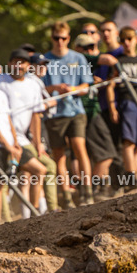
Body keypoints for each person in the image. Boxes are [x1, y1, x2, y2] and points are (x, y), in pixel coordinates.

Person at [0, 54, 47, 222]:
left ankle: (35, 213)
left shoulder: (0, 92)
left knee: (40, 170)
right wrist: (7, 145)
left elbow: (8, 120)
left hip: (12, 145)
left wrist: (15, 143)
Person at [42, 22, 95, 205]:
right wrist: (56, 88)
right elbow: (39, 89)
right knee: (59, 155)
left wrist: (72, 89)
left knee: (79, 147)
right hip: (54, 114)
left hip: (76, 110)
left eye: (63, 38)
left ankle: (87, 193)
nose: (60, 41)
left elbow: (86, 86)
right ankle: (66, 196)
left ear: (68, 38)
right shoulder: (44, 60)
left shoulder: (78, 58)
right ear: (52, 38)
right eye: (56, 38)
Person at [0, 49, 57, 212]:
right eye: (15, 62)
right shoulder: (0, 81)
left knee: (48, 166)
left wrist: (37, 144)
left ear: (28, 66)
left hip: (23, 139)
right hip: (3, 139)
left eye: (22, 62)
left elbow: (35, 116)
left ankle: (48, 210)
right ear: (9, 63)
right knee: (5, 178)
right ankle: (7, 217)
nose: (18, 66)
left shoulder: (33, 85)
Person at [107, 27, 137, 191]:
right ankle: (131, 177)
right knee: (129, 140)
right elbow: (110, 86)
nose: (126, 43)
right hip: (127, 102)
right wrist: (113, 108)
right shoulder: (118, 61)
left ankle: (129, 175)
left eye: (129, 39)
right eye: (123, 40)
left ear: (136, 40)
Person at [74, 32, 119, 198]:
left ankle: (93, 189)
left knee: (96, 154)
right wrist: (117, 70)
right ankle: (94, 188)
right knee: (107, 153)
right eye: (85, 47)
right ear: (77, 48)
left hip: (90, 110)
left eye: (92, 47)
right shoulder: (80, 59)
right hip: (88, 111)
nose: (89, 51)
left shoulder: (80, 64)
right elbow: (109, 59)